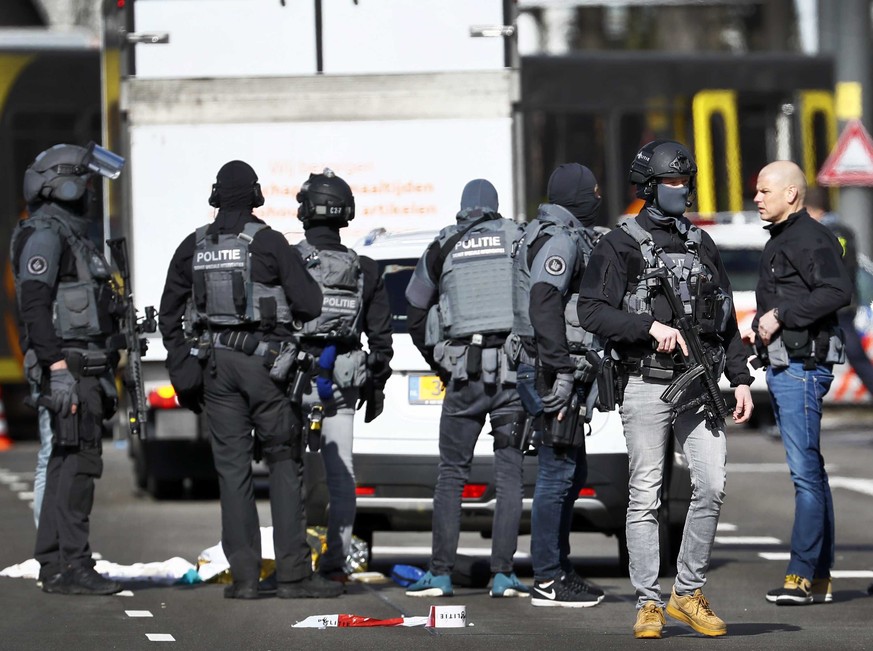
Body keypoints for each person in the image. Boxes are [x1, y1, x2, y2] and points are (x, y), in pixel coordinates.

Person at [578, 140, 754, 638]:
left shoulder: (702, 244)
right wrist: (647, 327)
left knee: (713, 484)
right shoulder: (619, 243)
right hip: (645, 382)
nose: (683, 190)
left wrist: (740, 379)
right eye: (674, 182)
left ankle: (688, 591)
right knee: (645, 495)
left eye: (685, 181)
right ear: (650, 187)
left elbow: (726, 321)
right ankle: (648, 603)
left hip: (699, 386)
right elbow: (590, 310)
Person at [159, 160, 342, 600]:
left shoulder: (194, 245)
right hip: (266, 369)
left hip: (216, 370)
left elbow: (169, 313)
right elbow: (310, 302)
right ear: (256, 195)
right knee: (282, 461)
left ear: (216, 196)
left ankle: (244, 578)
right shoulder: (269, 243)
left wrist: (183, 364)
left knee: (232, 470)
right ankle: (294, 576)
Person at [403, 179, 529, 599]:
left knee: (451, 475)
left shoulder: (445, 244)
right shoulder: (518, 237)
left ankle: (440, 574)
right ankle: (503, 574)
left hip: (463, 375)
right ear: (495, 206)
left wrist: (439, 362)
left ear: (462, 208)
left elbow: (416, 308)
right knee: (510, 475)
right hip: (511, 377)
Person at [11, 142, 127, 595]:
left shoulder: (70, 234)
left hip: (84, 365)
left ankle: (54, 562)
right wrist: (57, 366)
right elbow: (35, 305)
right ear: (64, 184)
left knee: (64, 464)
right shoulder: (46, 235)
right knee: (78, 467)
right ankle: (73, 565)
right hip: (72, 367)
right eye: (86, 182)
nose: (91, 193)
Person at [743, 161, 851, 606]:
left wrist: (780, 315)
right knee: (813, 475)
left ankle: (800, 576)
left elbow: (836, 291)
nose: (757, 197)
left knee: (805, 475)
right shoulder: (785, 237)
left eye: (764, 190)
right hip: (789, 365)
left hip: (801, 368)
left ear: (791, 194)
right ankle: (819, 575)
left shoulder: (809, 236)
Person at [512, 163, 607, 608]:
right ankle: (548, 578)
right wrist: (563, 370)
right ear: (575, 197)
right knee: (557, 474)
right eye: (592, 192)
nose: (598, 197)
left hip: (549, 365)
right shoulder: (561, 240)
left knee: (572, 472)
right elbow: (544, 302)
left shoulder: (546, 232)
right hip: (553, 369)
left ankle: (560, 568)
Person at [293, 168, 394, 583]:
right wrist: (377, 384)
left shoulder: (289, 260)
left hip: (295, 379)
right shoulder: (365, 268)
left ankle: (294, 560)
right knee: (342, 473)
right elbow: (382, 339)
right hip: (344, 382)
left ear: (304, 211)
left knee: (293, 471)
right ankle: (336, 564)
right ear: (345, 213)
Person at [805, 187, 873, 396]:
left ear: (809, 209)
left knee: (850, 353)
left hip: (834, 306)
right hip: (842, 303)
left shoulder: (828, 232)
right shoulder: (840, 229)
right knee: (847, 354)